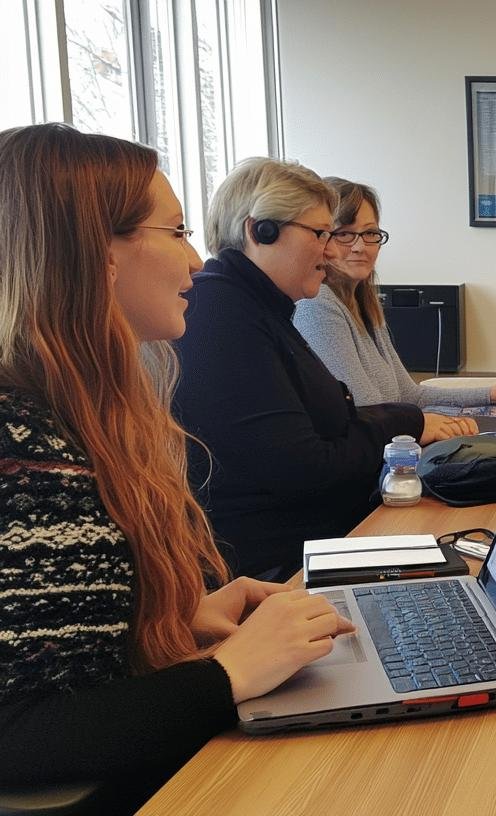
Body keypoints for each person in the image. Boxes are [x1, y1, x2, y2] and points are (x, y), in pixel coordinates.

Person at [0, 124, 354, 813]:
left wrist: (178, 617)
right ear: (96, 253)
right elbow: (18, 733)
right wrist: (226, 676)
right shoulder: (26, 455)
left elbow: (56, 652)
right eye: (177, 231)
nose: (196, 261)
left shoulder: (68, 411)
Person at [172, 158, 471, 580]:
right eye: (321, 234)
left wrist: (399, 420)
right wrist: (403, 421)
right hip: (278, 569)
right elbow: (305, 466)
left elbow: (326, 429)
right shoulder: (222, 317)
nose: (331, 250)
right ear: (260, 231)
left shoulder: (260, 310)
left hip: (314, 542)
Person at [293, 177, 496, 418]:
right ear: (322, 238)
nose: (360, 246)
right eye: (344, 234)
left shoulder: (365, 304)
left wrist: (492, 392)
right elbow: (367, 411)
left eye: (370, 232)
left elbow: (411, 396)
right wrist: (425, 425)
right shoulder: (317, 305)